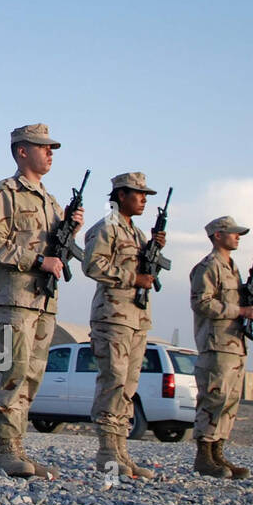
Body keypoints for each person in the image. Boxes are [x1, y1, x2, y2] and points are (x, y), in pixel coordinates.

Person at [0, 124, 82, 479]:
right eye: (43, 147)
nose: (50, 152)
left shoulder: (50, 202)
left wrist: (69, 230)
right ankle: (6, 449)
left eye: (52, 147)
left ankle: (18, 445)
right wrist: (39, 261)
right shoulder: (4, 192)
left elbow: (53, 248)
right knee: (13, 370)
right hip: (11, 298)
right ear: (22, 151)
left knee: (33, 375)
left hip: (42, 301)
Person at [83, 171, 165, 480]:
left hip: (136, 319)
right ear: (120, 196)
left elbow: (146, 271)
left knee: (128, 387)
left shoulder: (139, 235)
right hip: (112, 318)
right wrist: (133, 278)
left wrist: (154, 252)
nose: (144, 199)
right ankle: (107, 451)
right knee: (113, 381)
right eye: (138, 194)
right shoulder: (106, 228)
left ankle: (121, 451)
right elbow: (93, 265)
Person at [190, 216, 253, 479]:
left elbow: (233, 296)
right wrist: (239, 310)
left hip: (235, 344)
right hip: (217, 344)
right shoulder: (208, 266)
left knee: (230, 401)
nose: (237, 237)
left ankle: (218, 452)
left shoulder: (232, 268)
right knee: (213, 397)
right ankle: (204, 456)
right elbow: (202, 303)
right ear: (218, 235)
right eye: (232, 233)